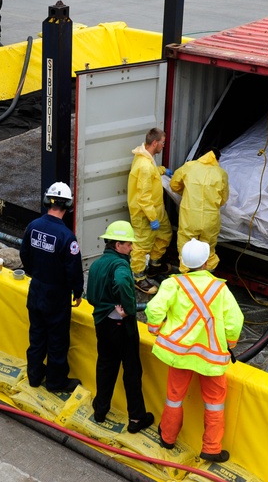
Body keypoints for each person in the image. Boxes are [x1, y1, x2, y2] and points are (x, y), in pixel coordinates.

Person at [145, 239, 243, 463]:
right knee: (215, 403)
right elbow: (235, 321)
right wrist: (230, 342)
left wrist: (154, 329)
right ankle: (211, 448)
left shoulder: (173, 284)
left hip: (179, 355)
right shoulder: (220, 288)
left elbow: (154, 309)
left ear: (184, 261)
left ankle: (167, 438)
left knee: (174, 398)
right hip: (211, 358)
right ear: (207, 261)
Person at [85, 220, 154, 433]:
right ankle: (136, 419)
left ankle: (100, 409)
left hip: (102, 324)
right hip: (122, 326)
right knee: (131, 370)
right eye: (128, 244)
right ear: (117, 245)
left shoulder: (96, 264)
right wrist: (129, 309)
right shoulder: (121, 265)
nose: (131, 248)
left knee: (105, 365)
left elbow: (91, 297)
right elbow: (124, 282)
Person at [20, 182, 84, 393]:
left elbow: (25, 256)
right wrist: (77, 291)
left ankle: (34, 376)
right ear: (68, 206)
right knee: (57, 341)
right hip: (57, 297)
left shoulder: (32, 226)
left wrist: (36, 274)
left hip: (36, 291)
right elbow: (73, 269)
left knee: (36, 336)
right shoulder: (67, 237)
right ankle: (56, 383)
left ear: (47, 201)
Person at [127, 127, 174, 294]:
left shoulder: (146, 157)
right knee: (141, 246)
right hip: (146, 214)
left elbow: (152, 173)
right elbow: (143, 196)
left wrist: (162, 170)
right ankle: (138, 278)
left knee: (165, 235)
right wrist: (152, 218)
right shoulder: (144, 166)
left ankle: (154, 266)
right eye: (162, 143)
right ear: (155, 143)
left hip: (155, 209)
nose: (163, 145)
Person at [169, 148, 229, 273]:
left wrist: (186, 192)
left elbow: (174, 185)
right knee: (208, 252)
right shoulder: (221, 173)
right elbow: (223, 199)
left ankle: (187, 282)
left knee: (186, 250)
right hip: (210, 220)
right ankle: (206, 280)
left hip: (189, 218)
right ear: (217, 159)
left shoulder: (189, 167)